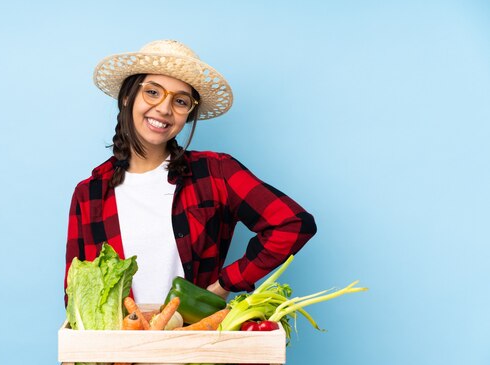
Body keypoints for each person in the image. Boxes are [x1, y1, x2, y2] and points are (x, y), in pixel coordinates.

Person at [65, 40, 316, 306]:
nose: (164, 108)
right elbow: (77, 292)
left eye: (180, 101)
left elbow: (293, 223)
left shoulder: (216, 173)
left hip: (197, 339)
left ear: (188, 113)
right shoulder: (89, 193)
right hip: (119, 343)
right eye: (152, 92)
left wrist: (226, 284)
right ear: (127, 97)